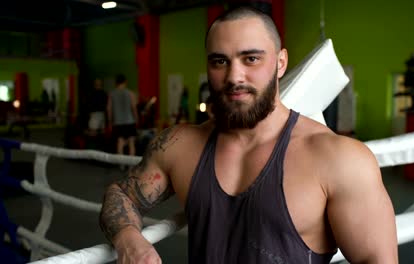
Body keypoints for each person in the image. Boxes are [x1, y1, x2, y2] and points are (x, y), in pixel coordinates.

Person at [100, 6, 398, 264]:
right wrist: (129, 239)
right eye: (220, 61)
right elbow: (121, 194)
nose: (234, 76)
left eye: (251, 59)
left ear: (280, 63)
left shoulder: (338, 159)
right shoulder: (180, 145)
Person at [107, 74, 138, 158]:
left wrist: (110, 122)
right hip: (130, 121)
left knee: (120, 142)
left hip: (118, 122)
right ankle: (131, 165)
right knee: (131, 142)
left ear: (116, 83)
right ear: (125, 82)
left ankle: (121, 165)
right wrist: (136, 119)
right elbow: (134, 108)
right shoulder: (130, 93)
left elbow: (109, 109)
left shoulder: (112, 94)